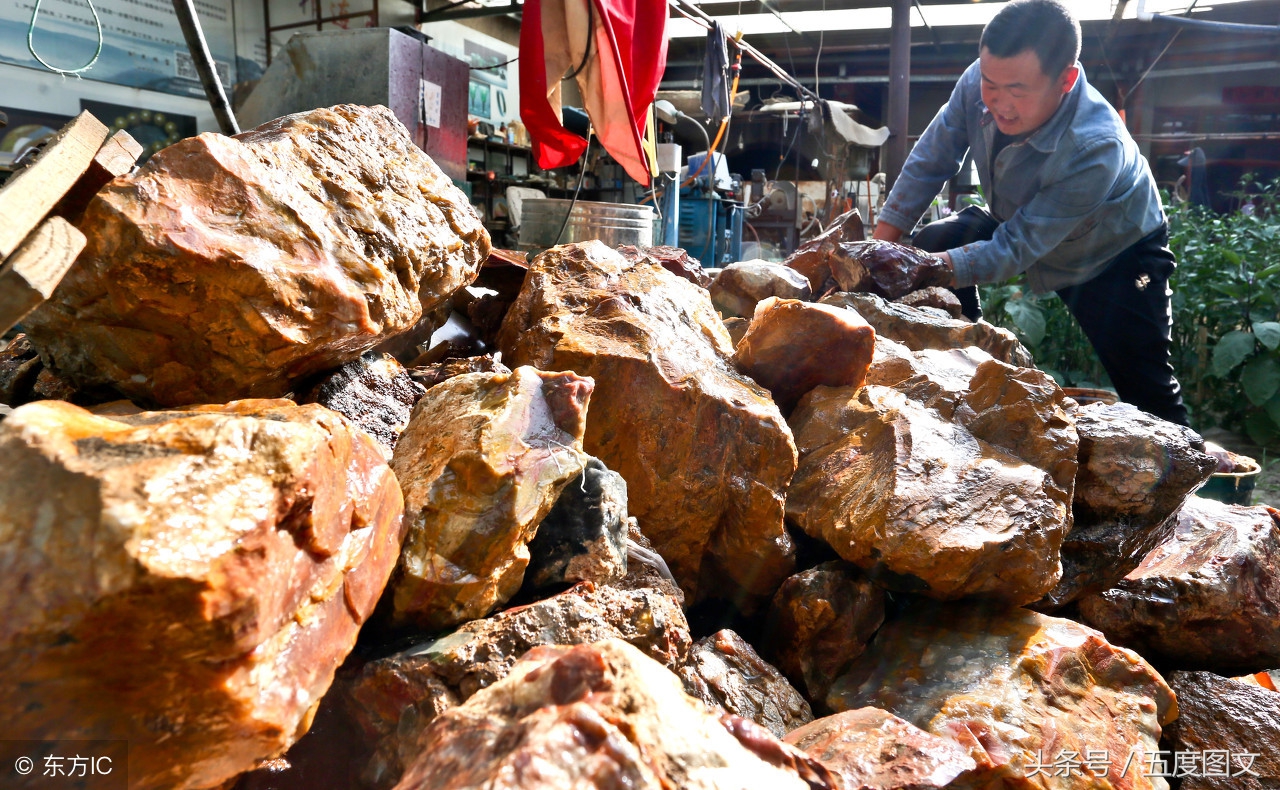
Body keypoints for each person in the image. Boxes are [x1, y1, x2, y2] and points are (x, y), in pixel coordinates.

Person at [872, 0, 1189, 426]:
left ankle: (1193, 475)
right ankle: (966, 376)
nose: (999, 103)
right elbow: (933, 157)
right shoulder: (980, 80)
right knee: (936, 241)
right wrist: (876, 249)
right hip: (1021, 217)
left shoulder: (1096, 146)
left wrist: (920, 268)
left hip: (1115, 252)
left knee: (1149, 393)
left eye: (1017, 91)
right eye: (991, 85)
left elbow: (1016, 246)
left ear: (1066, 80)